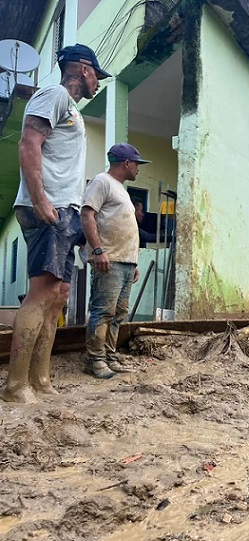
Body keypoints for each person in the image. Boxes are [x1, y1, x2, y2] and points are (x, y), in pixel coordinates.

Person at [1, 44, 111, 403]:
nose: (97, 82)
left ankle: (41, 379)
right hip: (50, 208)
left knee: (59, 295)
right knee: (42, 292)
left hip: (65, 211)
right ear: (83, 70)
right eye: (96, 74)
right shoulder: (54, 94)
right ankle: (16, 386)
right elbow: (29, 141)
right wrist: (40, 199)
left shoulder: (72, 111)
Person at [81, 143, 149, 378]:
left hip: (125, 262)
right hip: (109, 259)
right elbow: (87, 214)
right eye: (137, 164)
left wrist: (134, 262)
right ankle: (95, 360)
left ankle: (108, 355)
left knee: (119, 313)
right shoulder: (102, 181)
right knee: (103, 311)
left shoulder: (120, 189)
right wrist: (98, 251)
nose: (138, 169)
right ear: (126, 163)